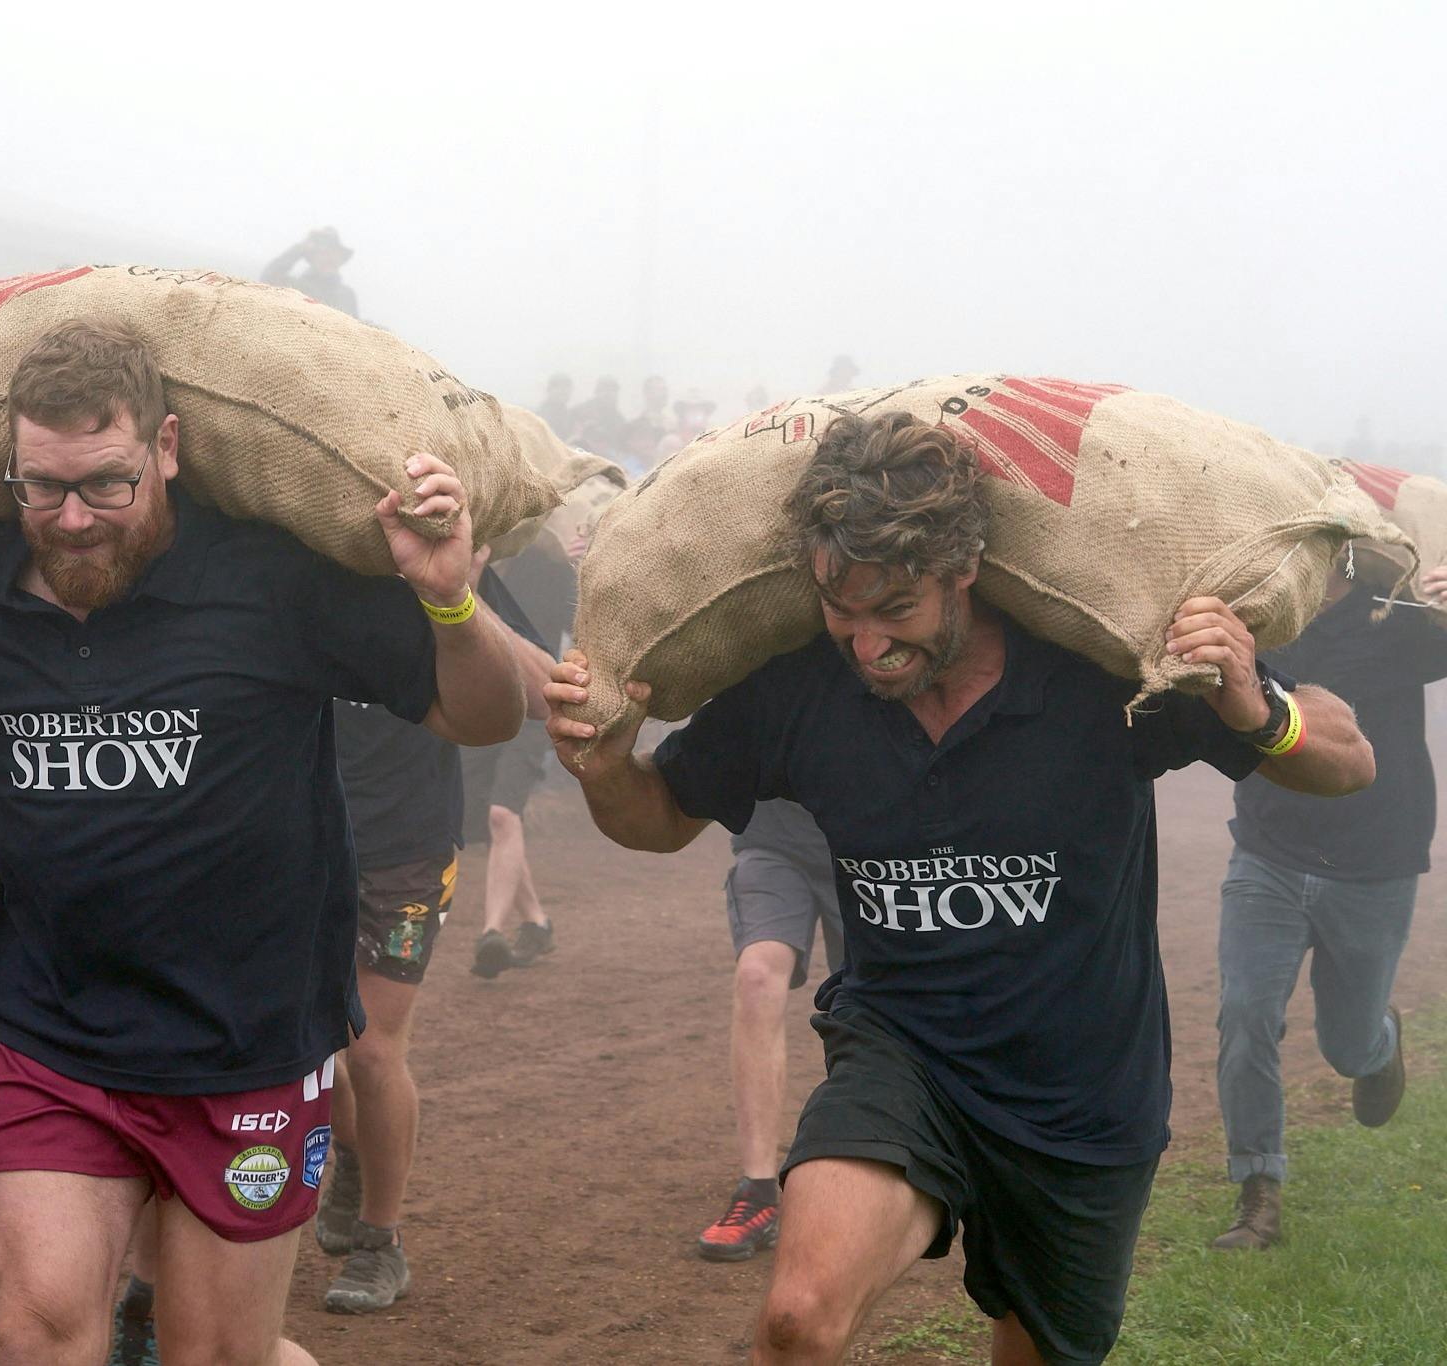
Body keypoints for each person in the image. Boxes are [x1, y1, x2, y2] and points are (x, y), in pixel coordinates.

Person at [0, 319, 525, 1364]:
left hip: (249, 1040)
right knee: (38, 1327)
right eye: (40, 486)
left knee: (213, 1355)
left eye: (106, 484)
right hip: (51, 1032)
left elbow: (477, 714)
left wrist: (447, 599)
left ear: (166, 448)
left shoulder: (270, 577)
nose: (71, 519)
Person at [542, 411, 1376, 1364]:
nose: (865, 645)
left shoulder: (1097, 675)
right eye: (841, 613)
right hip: (903, 1053)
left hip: (1082, 1097)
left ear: (964, 571)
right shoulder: (799, 690)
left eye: (895, 611)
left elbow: (1349, 760)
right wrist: (603, 766)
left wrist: (1257, 708)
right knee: (795, 1319)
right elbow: (658, 818)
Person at [316, 568, 551, 1313]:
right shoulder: (282, 555)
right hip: (295, 837)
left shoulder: (437, 564)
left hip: (406, 850)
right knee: (313, 1040)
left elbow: (545, 690)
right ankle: (351, 1157)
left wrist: (455, 592)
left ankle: (381, 1245)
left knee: (373, 1047)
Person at [1210, 563, 1447, 1250]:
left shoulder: (1395, 616)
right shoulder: (1254, 617)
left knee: (1346, 1045)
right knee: (1247, 1012)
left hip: (1377, 864)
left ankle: (1379, 1044)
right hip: (1268, 853)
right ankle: (1259, 1192)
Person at [697, 802, 843, 1262]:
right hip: (772, 840)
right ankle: (759, 1192)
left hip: (871, 843)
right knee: (757, 976)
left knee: (873, 1000)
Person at [466, 535, 579, 977]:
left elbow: (584, 614)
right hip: (479, 699)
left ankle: (490, 933)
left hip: (537, 699)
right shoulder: (465, 555)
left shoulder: (547, 561)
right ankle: (536, 922)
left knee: (501, 815)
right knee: (483, 818)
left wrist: (579, 565)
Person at [261, 226, 358, 317]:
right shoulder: (295, 287)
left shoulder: (347, 296)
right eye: (323, 253)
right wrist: (300, 249)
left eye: (333, 253)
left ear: (340, 259)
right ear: (313, 257)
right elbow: (269, 278)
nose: (328, 258)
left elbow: (357, 327)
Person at [567, 376, 625, 458]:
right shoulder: (579, 411)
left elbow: (620, 443)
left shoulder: (618, 419)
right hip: (580, 454)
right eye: (604, 389)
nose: (608, 393)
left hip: (606, 457)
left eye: (612, 390)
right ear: (597, 392)